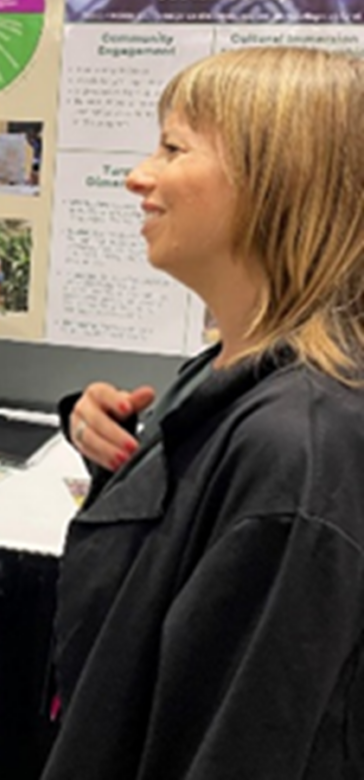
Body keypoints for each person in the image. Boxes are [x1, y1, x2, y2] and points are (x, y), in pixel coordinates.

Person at [44, 47, 364, 779]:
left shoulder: (300, 450)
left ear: (276, 181)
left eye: (173, 148)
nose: (138, 176)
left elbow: (242, 743)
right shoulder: (233, 375)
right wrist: (122, 456)